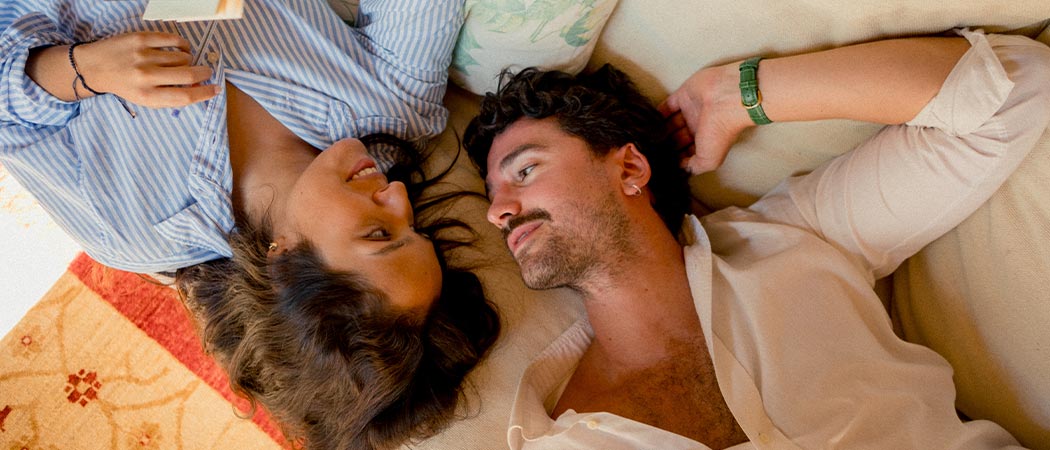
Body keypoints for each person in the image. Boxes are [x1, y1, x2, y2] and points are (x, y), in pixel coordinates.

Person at [465, 29, 1050, 449]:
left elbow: (1017, 92)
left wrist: (737, 96)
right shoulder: (552, 432)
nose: (499, 212)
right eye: (493, 195)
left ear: (629, 170)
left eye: (524, 171)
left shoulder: (797, 234)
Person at [1, 1, 500, 449]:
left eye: (378, 233)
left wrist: (81, 70)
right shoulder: (395, 105)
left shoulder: (130, 226)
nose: (396, 196)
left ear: (283, 261)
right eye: (414, 228)